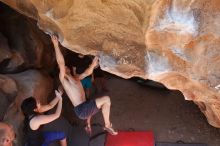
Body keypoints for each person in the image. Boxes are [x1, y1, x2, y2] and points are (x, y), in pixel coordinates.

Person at [51, 35, 118, 135]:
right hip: (81, 109)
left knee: (105, 103)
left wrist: (93, 64)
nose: (66, 67)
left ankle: (90, 125)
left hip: (83, 107)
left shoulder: (76, 78)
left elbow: (87, 73)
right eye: (65, 67)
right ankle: (107, 125)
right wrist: (56, 45)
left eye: (66, 66)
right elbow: (60, 63)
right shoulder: (64, 79)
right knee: (106, 100)